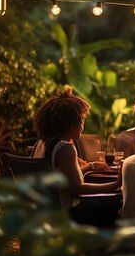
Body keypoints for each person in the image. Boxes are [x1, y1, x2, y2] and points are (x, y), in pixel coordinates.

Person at [32, 89, 122, 225]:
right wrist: (115, 185)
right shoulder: (65, 148)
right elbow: (76, 189)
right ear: (71, 123)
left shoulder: (41, 143)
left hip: (47, 208)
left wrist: (89, 167)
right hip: (69, 212)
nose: (83, 126)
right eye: (82, 120)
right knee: (119, 199)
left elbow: (67, 182)